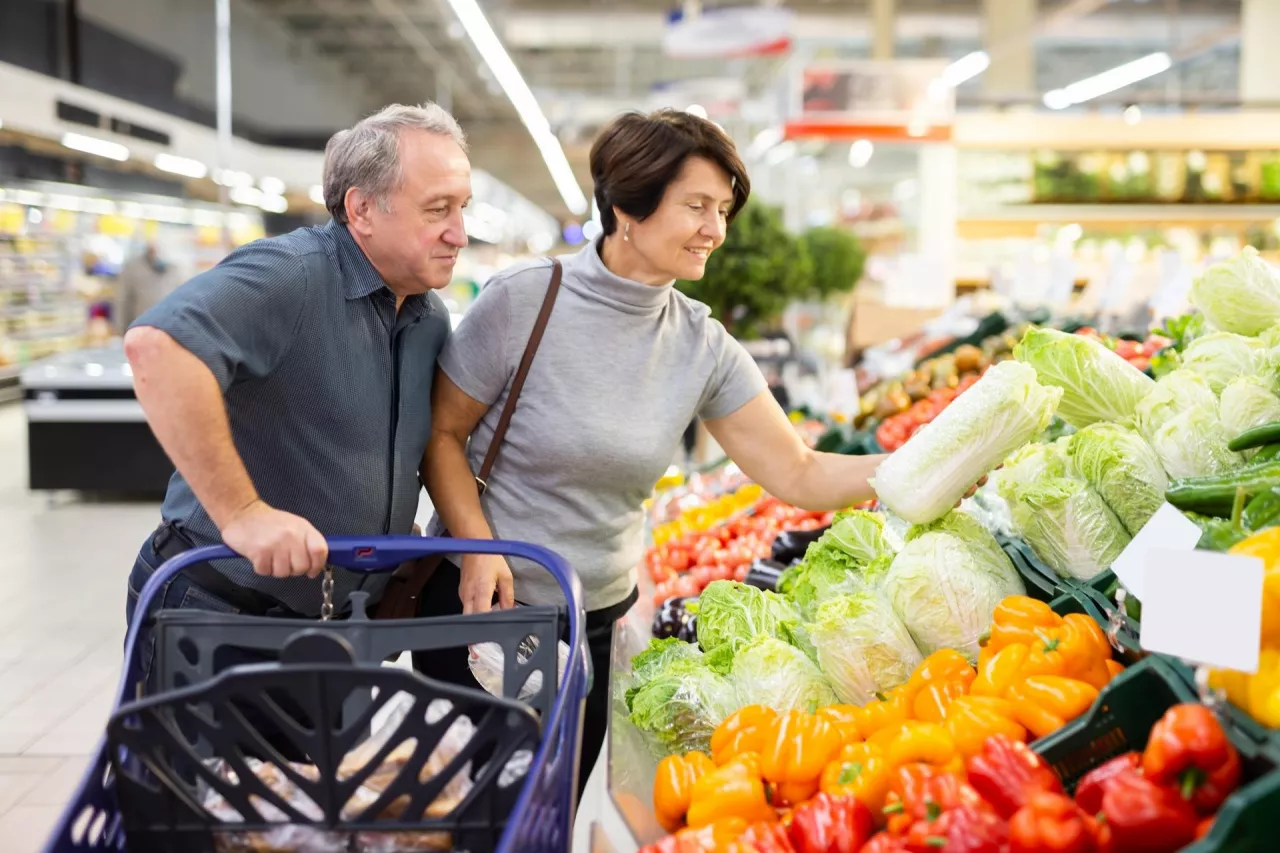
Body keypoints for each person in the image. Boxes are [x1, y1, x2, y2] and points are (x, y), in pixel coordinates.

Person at [416, 109, 890, 797]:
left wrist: (933, 466)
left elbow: (800, 471)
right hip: (484, 612)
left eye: (723, 210)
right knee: (473, 821)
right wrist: (477, 546)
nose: (716, 230)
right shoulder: (524, 302)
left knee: (557, 822)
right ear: (628, 207)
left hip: (598, 625)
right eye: (697, 205)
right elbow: (441, 434)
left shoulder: (702, 345)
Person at [121, 103, 466, 694]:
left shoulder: (426, 316)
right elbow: (157, 348)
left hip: (339, 629)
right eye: (438, 209)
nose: (458, 232)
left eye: (462, 208)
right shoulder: (293, 274)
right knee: (186, 787)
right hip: (222, 616)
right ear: (361, 209)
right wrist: (243, 514)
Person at [114, 241, 185, 334]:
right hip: (140, 327)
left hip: (168, 329)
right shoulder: (132, 268)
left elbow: (181, 301)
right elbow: (123, 301)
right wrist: (121, 329)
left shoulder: (174, 270)